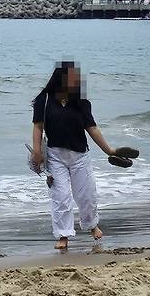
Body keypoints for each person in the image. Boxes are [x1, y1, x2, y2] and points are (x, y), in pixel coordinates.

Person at [31, 61, 117, 250]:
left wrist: (109, 151)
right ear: (61, 79)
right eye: (72, 78)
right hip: (54, 155)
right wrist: (37, 152)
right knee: (60, 197)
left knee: (86, 195)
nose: (76, 81)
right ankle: (63, 235)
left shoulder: (81, 102)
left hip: (80, 155)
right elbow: (38, 127)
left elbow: (92, 128)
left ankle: (92, 225)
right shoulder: (43, 100)